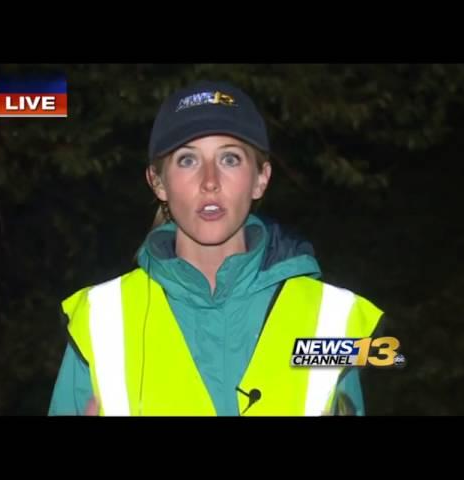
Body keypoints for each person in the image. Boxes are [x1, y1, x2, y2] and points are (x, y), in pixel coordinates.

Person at [48, 80, 384, 416]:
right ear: (158, 181)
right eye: (187, 160)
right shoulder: (100, 320)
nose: (210, 181)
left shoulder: (331, 318)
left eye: (230, 159)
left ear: (261, 178)